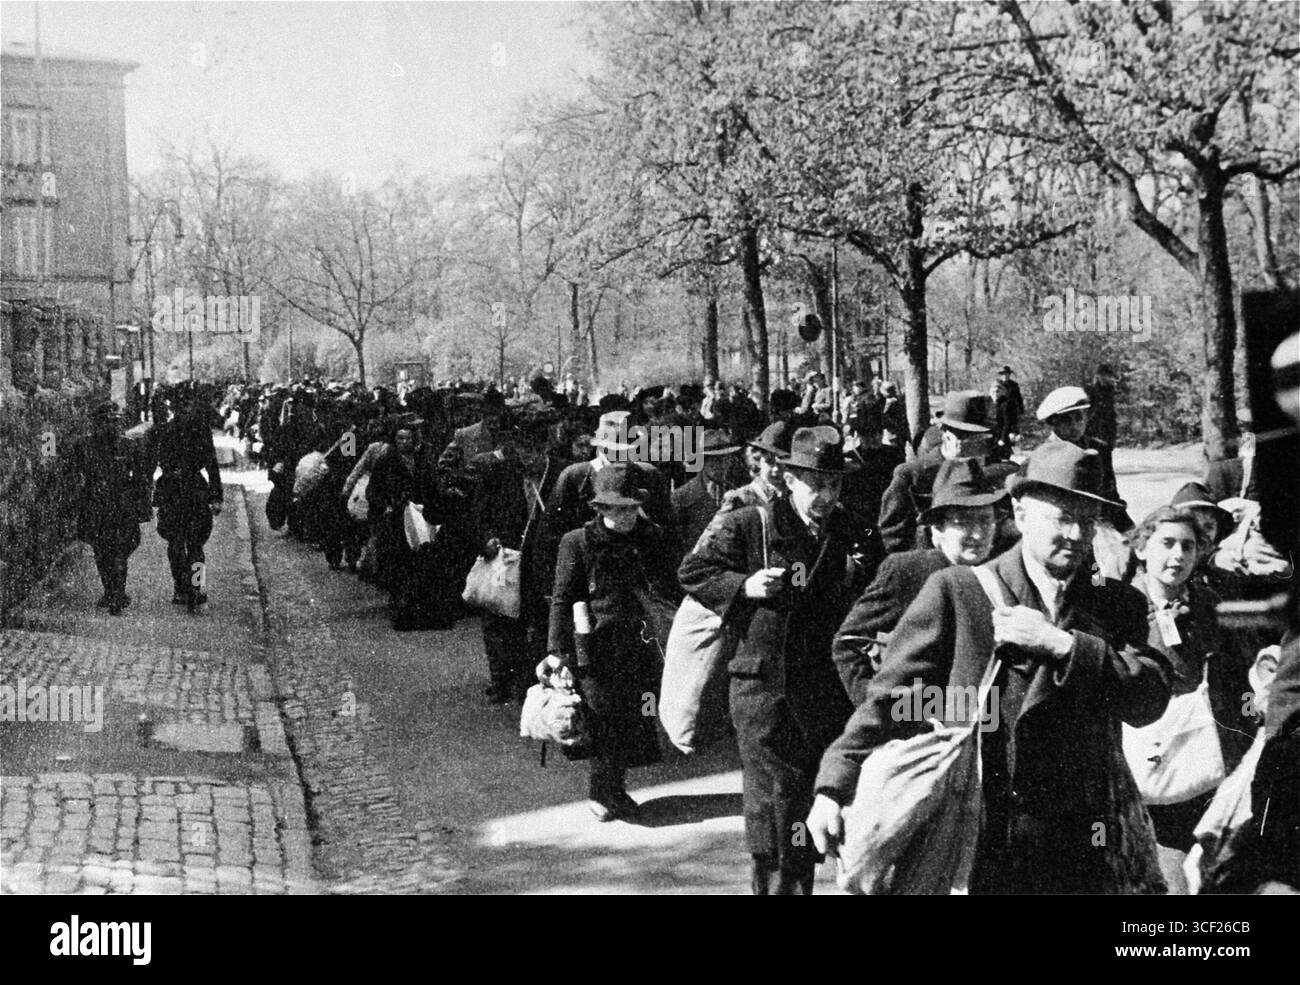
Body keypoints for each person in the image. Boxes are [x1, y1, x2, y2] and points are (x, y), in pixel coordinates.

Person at [809, 441, 1172, 894]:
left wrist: (1063, 645)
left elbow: (1148, 699)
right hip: (986, 844)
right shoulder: (959, 592)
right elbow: (891, 700)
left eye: (1085, 519)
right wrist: (834, 785)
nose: (1076, 535)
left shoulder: (1116, 604)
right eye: (1061, 517)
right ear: (1020, 514)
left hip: (1084, 852)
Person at [679, 426, 858, 894]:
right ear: (790, 480)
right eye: (815, 484)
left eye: (833, 484)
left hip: (823, 692)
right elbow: (693, 570)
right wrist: (744, 586)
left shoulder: (847, 531)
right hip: (764, 695)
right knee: (778, 811)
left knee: (813, 807)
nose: (824, 495)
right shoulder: (749, 524)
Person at [540, 465, 682, 820]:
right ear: (600, 509)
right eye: (617, 509)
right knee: (602, 718)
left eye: (632, 508)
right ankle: (602, 792)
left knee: (633, 716)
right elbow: (562, 597)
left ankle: (613, 788)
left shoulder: (653, 538)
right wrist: (557, 652)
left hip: (642, 643)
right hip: (596, 646)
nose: (626, 516)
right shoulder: (577, 542)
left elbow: (669, 587)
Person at [1126, 505, 1255, 892]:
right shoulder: (1119, 605)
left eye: (1188, 546)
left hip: (1204, 761)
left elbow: (1243, 676)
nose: (1178, 556)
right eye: (1167, 543)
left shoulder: (1209, 603)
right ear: (1142, 548)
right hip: (1139, 766)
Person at [833, 457, 1006, 705]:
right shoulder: (909, 571)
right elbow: (848, 643)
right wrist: (876, 707)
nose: (978, 534)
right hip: (922, 725)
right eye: (963, 522)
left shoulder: (1001, 572)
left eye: (985, 520)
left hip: (984, 722)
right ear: (937, 529)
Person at [878, 391, 1011, 554]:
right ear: (945, 432)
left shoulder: (994, 473)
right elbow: (891, 536)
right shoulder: (912, 475)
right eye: (967, 436)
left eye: (982, 437)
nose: (977, 444)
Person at [66, 402, 152, 615]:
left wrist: (143, 505)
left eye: (115, 421)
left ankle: (117, 592)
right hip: (96, 503)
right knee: (102, 550)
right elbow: (70, 472)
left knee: (120, 549)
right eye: (106, 421)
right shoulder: (83, 445)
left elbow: (142, 479)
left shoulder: (129, 446)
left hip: (121, 504)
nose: (111, 425)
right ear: (97, 423)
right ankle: (112, 591)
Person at [151, 384, 224, 610]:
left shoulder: (162, 430)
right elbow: (212, 464)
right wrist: (216, 496)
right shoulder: (201, 431)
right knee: (196, 546)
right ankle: (195, 587)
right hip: (194, 489)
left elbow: (150, 465)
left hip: (171, 490)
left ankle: (181, 588)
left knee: (175, 543)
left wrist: (148, 494)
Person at [1034, 385, 1130, 528]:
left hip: (1096, 524)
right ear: (1054, 422)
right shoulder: (1044, 454)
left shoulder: (1099, 449)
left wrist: (1126, 528)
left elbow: (1110, 495)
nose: (1075, 426)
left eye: (1079, 418)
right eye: (1067, 420)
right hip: (1062, 528)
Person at [670, 429, 744, 556]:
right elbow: (675, 545)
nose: (722, 465)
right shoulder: (682, 497)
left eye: (726, 459)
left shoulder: (738, 494)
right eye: (715, 460)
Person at [992, 365, 1024, 462]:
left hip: (1011, 411)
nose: (1005, 376)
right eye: (1003, 374)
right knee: (1000, 429)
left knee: (1009, 431)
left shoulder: (1014, 385)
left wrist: (1021, 409)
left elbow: (1019, 398)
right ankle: (998, 453)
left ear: (1009, 374)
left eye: (1007, 374)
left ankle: (1006, 454)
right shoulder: (998, 385)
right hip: (1000, 410)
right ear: (1001, 375)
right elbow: (994, 397)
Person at [1086, 364, 1119, 449]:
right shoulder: (1091, 390)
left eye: (1107, 375)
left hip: (1107, 429)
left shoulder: (1111, 391)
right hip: (1093, 428)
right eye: (1102, 375)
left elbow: (1112, 414)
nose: (1105, 377)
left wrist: (1112, 437)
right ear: (1098, 376)